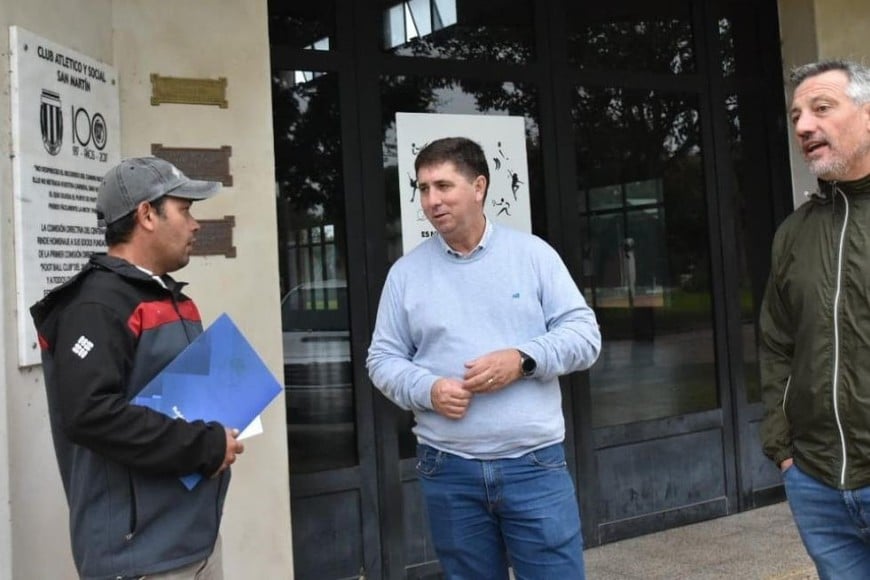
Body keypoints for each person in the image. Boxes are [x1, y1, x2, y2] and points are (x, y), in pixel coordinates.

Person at [367, 137, 601, 579]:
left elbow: (585, 336)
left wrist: (523, 359)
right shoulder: (405, 274)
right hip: (448, 468)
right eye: (423, 189)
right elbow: (382, 358)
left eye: (443, 186)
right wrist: (428, 390)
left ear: (478, 187)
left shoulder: (533, 255)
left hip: (533, 464)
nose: (432, 200)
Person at [30, 157, 244, 579]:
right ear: (147, 214)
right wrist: (204, 446)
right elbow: (91, 414)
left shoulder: (172, 299)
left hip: (193, 542)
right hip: (139, 557)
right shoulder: (95, 305)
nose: (195, 224)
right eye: (185, 210)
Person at [760, 59, 870, 579]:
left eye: (821, 108)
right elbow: (776, 345)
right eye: (796, 116)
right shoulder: (793, 234)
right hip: (818, 484)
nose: (804, 126)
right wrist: (784, 451)